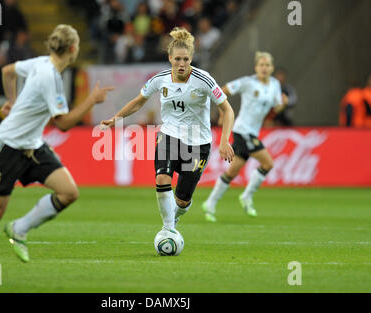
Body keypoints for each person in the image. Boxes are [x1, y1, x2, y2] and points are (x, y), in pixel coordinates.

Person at [0, 24, 114, 282]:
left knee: (68, 192)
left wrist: (11, 100)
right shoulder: (50, 77)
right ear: (74, 48)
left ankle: (19, 228)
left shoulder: (41, 62)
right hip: (8, 146)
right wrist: (92, 100)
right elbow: (63, 123)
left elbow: (8, 71)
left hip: (31, 145)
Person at [101, 27, 235, 232]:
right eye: (178, 59)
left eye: (186, 60)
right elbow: (138, 102)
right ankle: (168, 230)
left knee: (182, 200)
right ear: (170, 57)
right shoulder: (160, 79)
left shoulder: (204, 79)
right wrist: (116, 118)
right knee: (162, 178)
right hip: (170, 136)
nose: (182, 64)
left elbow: (227, 110)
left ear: (191, 58)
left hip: (198, 143)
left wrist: (224, 140)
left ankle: (174, 219)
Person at [202, 51, 288, 222]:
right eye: (261, 65)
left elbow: (275, 110)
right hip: (242, 130)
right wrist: (222, 113)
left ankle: (210, 203)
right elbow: (223, 90)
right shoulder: (248, 83)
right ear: (256, 67)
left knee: (232, 172)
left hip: (252, 132)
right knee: (268, 163)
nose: (264, 68)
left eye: (267, 65)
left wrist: (283, 105)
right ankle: (247, 196)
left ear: (272, 68)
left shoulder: (275, 85)